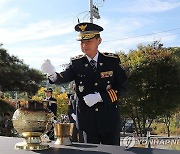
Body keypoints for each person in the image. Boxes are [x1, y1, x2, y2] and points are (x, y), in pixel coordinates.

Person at [41, 22, 128, 145]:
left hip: (109, 118)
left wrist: (100, 97)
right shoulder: (77, 63)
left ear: (99, 41)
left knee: (112, 150)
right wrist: (52, 74)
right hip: (87, 120)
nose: (84, 45)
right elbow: (64, 76)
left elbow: (122, 88)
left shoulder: (111, 61)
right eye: (82, 42)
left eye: (88, 41)